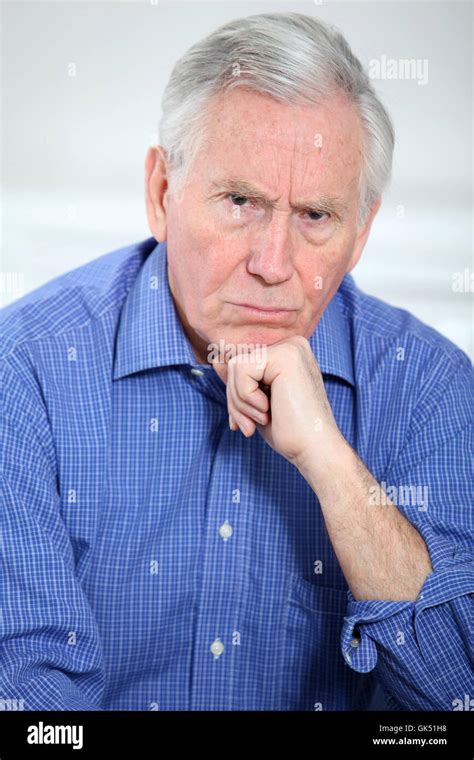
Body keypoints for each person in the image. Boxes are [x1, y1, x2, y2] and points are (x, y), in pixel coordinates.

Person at [1, 12, 472, 712]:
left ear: (363, 232)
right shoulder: (24, 374)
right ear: (162, 193)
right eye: (241, 201)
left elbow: (455, 697)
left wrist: (333, 466)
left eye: (315, 216)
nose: (273, 265)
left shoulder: (433, 389)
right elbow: (32, 717)